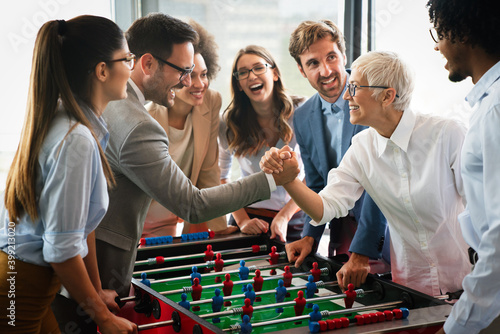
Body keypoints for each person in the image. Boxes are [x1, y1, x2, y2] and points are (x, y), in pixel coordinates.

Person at [94, 13, 298, 298]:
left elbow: (208, 176)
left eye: (198, 73)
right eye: (183, 71)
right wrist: (271, 179)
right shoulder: (139, 124)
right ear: (148, 63)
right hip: (98, 265)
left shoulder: (110, 100)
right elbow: (192, 204)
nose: (189, 82)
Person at [261, 50, 470, 296]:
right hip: (410, 291)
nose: (346, 95)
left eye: (355, 87)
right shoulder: (361, 148)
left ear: (387, 96)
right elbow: (324, 207)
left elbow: (485, 213)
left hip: (467, 286)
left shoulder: (449, 134)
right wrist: (288, 180)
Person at [0, 16, 136, 333]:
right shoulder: (77, 140)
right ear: (102, 70)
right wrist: (104, 318)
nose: (131, 68)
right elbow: (61, 250)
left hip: (23, 280)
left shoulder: (65, 118)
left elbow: (78, 227)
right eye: (127, 59)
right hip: (20, 288)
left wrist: (98, 295)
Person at [271, 19, 388, 288]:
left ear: (344, 56)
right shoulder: (301, 116)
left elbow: (379, 181)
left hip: (382, 230)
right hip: (339, 231)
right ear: (301, 70)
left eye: (331, 57)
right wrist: (310, 236)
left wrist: (363, 251)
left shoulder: (372, 98)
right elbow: (316, 183)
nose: (326, 71)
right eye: (313, 63)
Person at [427, 0, 500, 333]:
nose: (437, 45)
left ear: (462, 31)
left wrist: (457, 326)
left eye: (439, 33)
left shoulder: (495, 110)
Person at [143, 20, 226, 237]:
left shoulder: (211, 101)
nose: (199, 84)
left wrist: (219, 229)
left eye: (204, 74)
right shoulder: (147, 116)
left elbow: (209, 173)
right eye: (189, 73)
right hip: (139, 216)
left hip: (171, 219)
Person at [219, 45, 306, 242]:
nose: (251, 76)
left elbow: (315, 174)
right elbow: (222, 178)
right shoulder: (228, 122)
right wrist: (242, 222)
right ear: (239, 84)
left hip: (295, 215)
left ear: (274, 73)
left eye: (259, 68)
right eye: (243, 73)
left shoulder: (303, 111)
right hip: (247, 217)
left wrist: (284, 216)